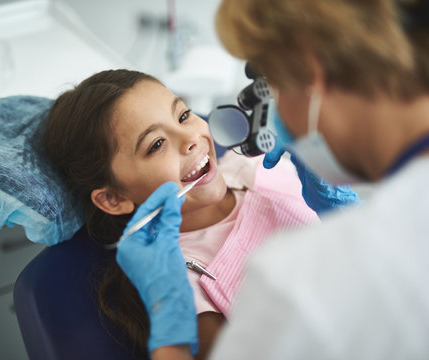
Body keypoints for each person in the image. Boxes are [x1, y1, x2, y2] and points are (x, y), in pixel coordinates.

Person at [114, 0, 429, 359]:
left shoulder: (288, 279)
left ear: (310, 73)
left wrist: (168, 323)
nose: (269, 114)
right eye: (156, 143)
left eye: (268, 87)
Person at [42, 69, 334, 358]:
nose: (191, 138)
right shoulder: (185, 291)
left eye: (183, 115)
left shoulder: (255, 162)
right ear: (113, 198)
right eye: (156, 144)